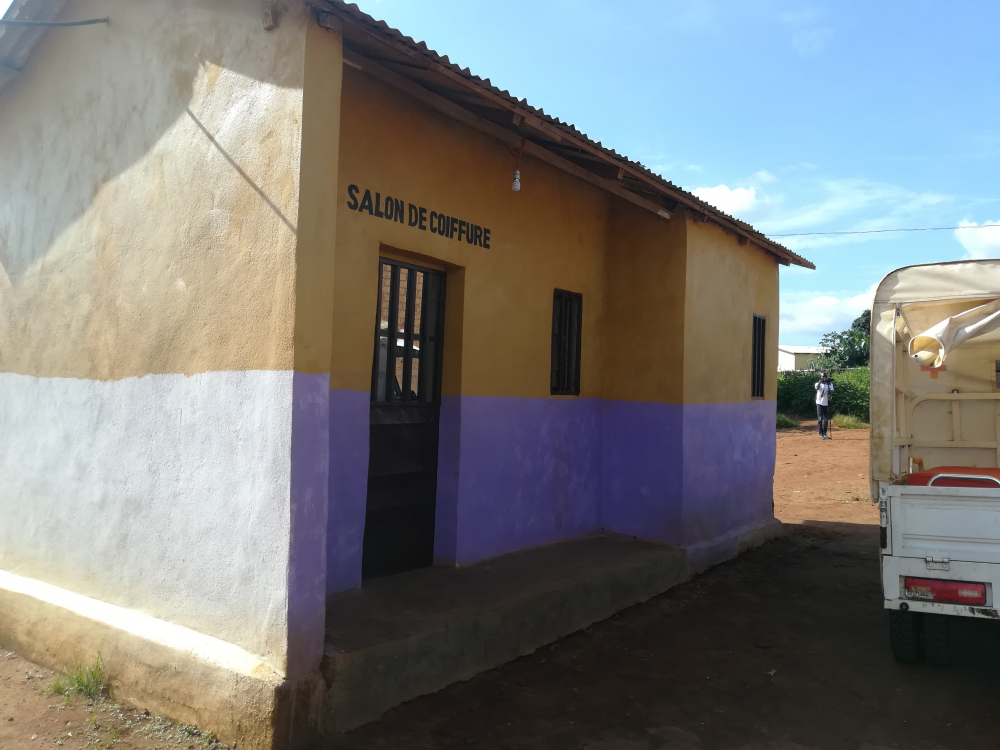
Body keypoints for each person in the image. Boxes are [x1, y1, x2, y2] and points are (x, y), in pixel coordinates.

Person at [815, 372, 834, 440]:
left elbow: (832, 391)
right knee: (820, 419)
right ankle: (821, 434)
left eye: (825, 377)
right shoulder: (818, 384)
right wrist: (820, 382)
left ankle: (825, 434)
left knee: (825, 420)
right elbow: (817, 388)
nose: (824, 378)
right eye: (823, 377)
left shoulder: (829, 384)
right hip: (819, 403)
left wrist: (830, 392)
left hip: (826, 403)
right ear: (820, 377)